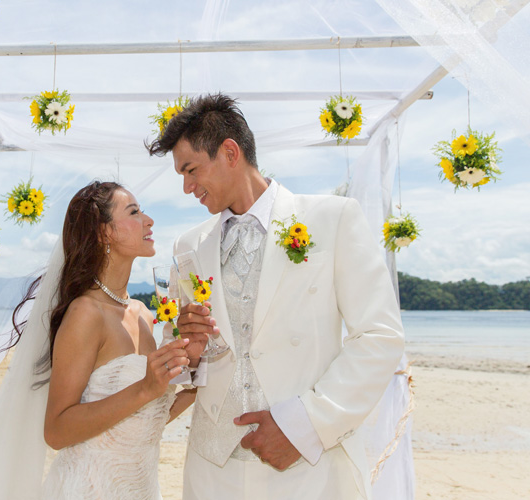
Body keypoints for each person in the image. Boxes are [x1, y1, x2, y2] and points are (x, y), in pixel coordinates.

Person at [146, 93, 405, 500]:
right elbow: (180, 364)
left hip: (311, 469)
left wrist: (305, 426)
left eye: (191, 169)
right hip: (213, 472)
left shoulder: (333, 219)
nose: (186, 187)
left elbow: (379, 336)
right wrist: (188, 355)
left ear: (230, 152)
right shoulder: (188, 246)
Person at [0, 181, 196, 500]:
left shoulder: (143, 314)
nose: (149, 220)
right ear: (103, 233)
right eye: (134, 212)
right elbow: (57, 430)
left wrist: (194, 384)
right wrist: (145, 387)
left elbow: (144, 421)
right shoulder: (85, 313)